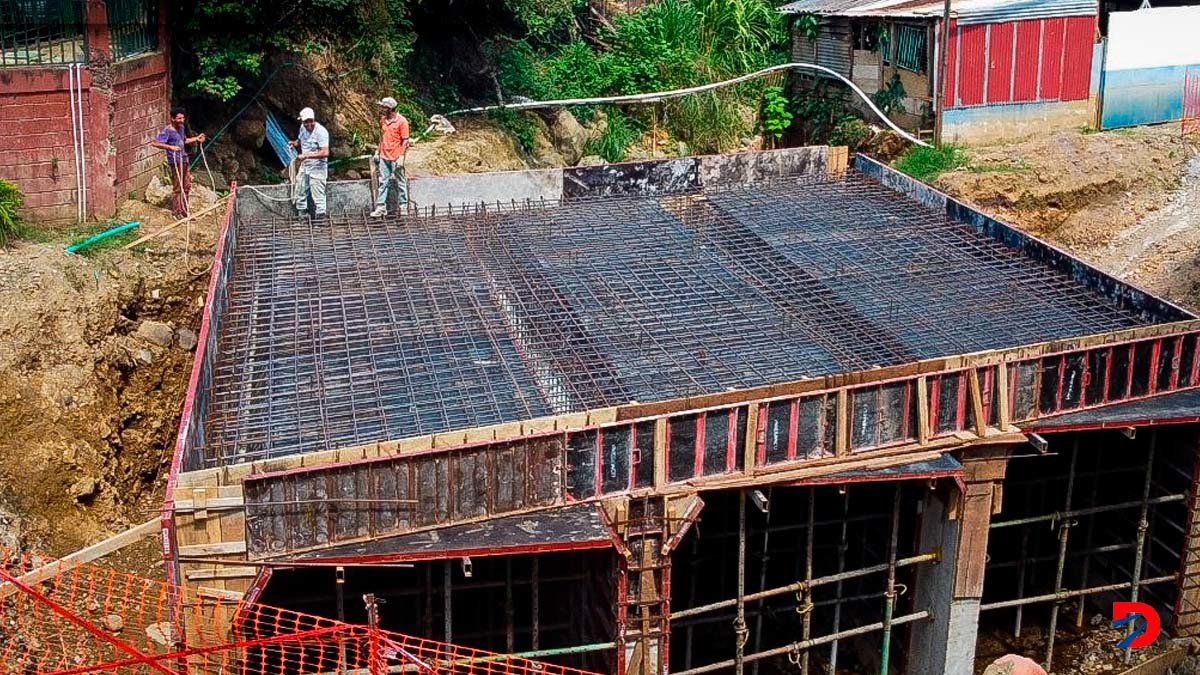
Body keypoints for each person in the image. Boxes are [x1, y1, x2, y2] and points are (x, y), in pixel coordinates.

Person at [149, 107, 206, 218]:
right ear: (172, 118)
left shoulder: (181, 128)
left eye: (183, 118)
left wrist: (196, 139)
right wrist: (170, 147)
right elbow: (155, 143)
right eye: (179, 118)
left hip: (184, 159)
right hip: (175, 161)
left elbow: (184, 141)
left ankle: (185, 210)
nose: (181, 120)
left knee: (187, 186)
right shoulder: (168, 130)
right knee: (178, 187)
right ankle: (176, 212)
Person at [287, 107, 330, 221]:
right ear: (302, 121)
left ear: (314, 119)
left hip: (318, 168)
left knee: (318, 195)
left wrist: (306, 155)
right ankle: (303, 215)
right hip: (305, 166)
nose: (309, 124)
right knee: (300, 190)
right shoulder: (302, 128)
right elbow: (301, 140)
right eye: (306, 122)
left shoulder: (321, 132)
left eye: (311, 121)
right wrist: (294, 143)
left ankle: (320, 219)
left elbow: (325, 152)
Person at [370, 96, 410, 218]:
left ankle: (403, 206)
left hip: (395, 156)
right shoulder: (383, 120)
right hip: (384, 156)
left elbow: (405, 140)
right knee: (383, 182)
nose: (381, 109)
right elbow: (382, 138)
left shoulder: (402, 121)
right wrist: (378, 151)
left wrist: (401, 156)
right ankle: (381, 207)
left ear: (390, 108)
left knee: (401, 182)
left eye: (383, 107)